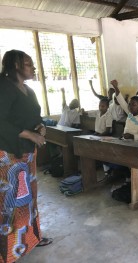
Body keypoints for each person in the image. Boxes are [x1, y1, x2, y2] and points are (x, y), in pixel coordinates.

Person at [0, 50, 52, 263]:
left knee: (29, 199)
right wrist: (28, 133)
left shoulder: (29, 91)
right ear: (15, 65)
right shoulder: (3, 88)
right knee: (10, 203)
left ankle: (31, 238)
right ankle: (9, 251)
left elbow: (35, 116)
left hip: (28, 155)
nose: (33, 67)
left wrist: (40, 127)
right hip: (9, 155)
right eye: (28, 64)